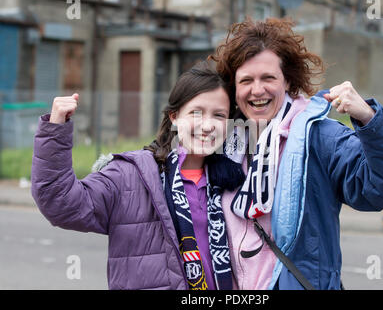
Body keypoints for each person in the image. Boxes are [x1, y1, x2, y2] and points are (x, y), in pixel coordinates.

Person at [209, 17, 383, 290]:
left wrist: (368, 117)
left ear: (288, 81)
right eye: (246, 80)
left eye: (268, 78)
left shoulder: (318, 137)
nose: (257, 90)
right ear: (233, 88)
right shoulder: (221, 143)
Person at [31, 61, 245, 290]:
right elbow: (60, 203)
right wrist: (55, 131)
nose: (208, 125)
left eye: (219, 115)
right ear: (174, 116)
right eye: (196, 112)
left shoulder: (232, 180)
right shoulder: (130, 174)